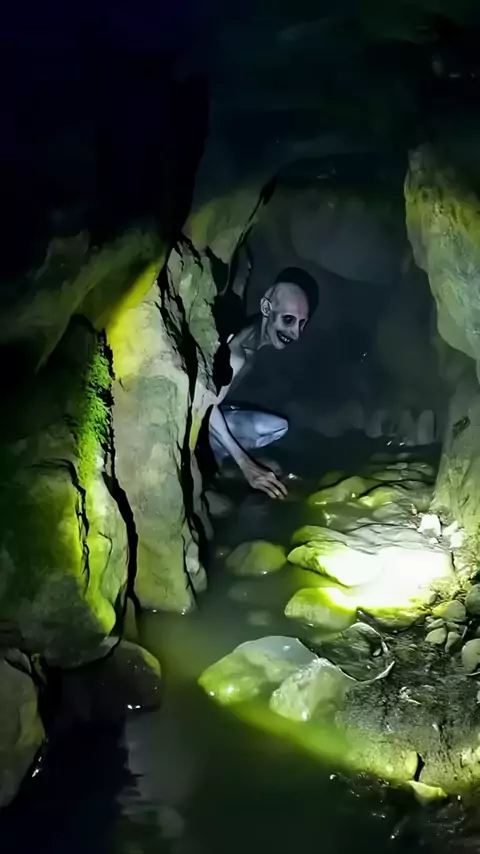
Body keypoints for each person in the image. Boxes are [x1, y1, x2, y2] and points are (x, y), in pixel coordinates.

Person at [208, 267, 316, 499]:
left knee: (278, 427)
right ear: (267, 308)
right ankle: (217, 463)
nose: (295, 333)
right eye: (288, 320)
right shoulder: (238, 354)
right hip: (202, 418)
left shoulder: (255, 334)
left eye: (301, 324)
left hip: (216, 411)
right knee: (272, 463)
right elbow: (204, 405)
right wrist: (246, 464)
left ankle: (222, 460)